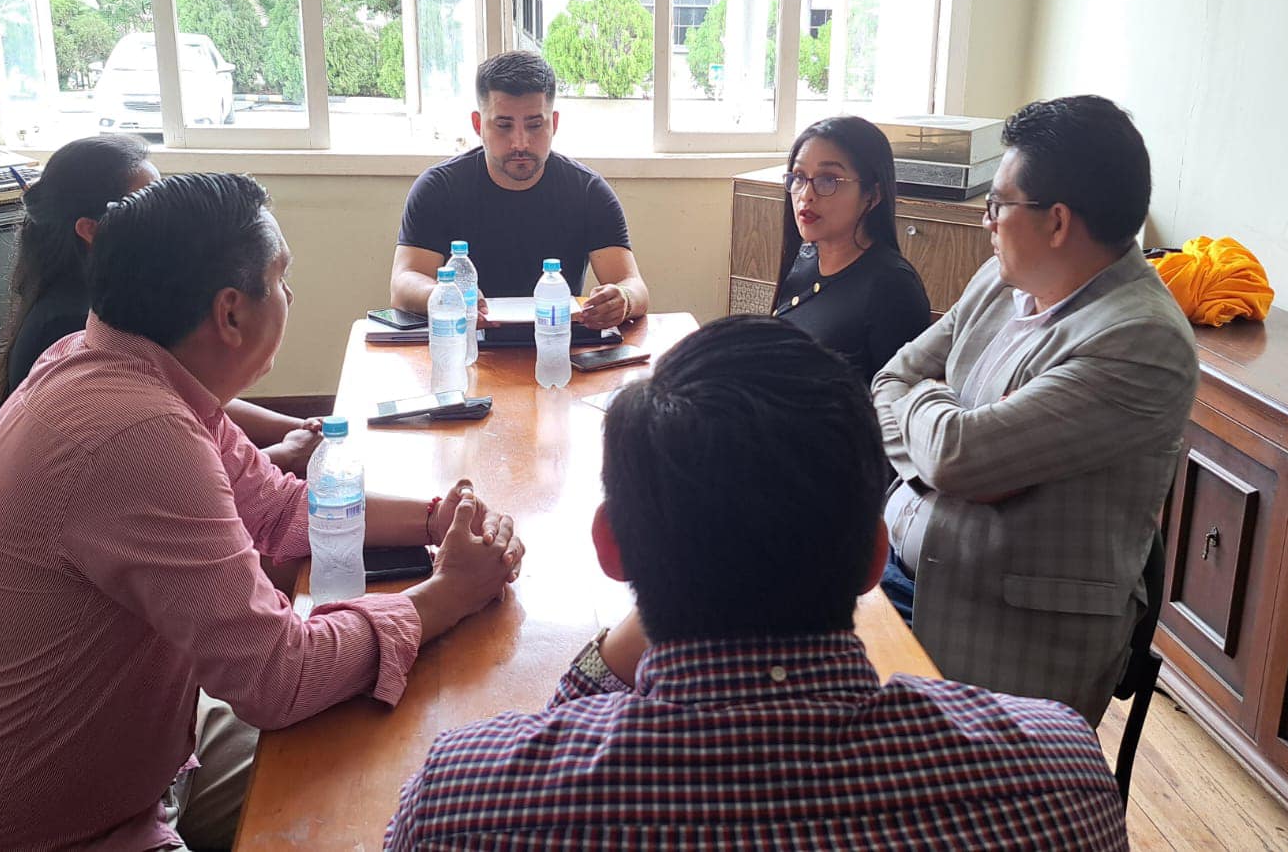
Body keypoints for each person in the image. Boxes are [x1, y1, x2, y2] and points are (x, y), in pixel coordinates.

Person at [0, 174, 525, 849]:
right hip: (36, 837)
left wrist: (436, 517)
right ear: (230, 314)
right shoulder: (137, 433)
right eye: (281, 278)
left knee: (369, 764)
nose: (291, 296)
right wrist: (448, 593)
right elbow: (277, 675)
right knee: (380, 801)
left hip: (128, 777)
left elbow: (277, 510)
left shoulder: (111, 362)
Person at [385, 315, 1129, 850]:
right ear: (875, 558)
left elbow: (560, 733)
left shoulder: (464, 805)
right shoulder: (1063, 777)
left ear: (611, 549)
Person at [873, 95, 1198, 727]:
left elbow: (959, 456)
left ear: (1057, 222)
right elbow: (890, 380)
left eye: (998, 205)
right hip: (898, 568)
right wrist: (944, 436)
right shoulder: (998, 282)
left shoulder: (1141, 339)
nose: (986, 222)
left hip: (996, 627)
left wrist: (935, 418)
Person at [1, 133, 322, 473]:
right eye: (142, 201)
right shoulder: (81, 326)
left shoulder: (117, 301)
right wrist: (285, 453)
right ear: (91, 230)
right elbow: (161, 462)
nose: (165, 211)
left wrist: (293, 429)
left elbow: (184, 393)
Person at [389, 51, 650, 330]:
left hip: (557, 341)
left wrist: (622, 299)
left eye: (535, 125)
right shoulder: (438, 188)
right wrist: (444, 297)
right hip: (465, 341)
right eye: (504, 126)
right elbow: (404, 283)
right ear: (478, 124)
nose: (520, 143)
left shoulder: (588, 191)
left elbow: (634, 285)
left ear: (554, 124)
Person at [771, 116, 931, 384]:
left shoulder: (892, 287)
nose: (806, 195)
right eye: (798, 177)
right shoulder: (806, 258)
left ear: (872, 195)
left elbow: (898, 398)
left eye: (828, 179)